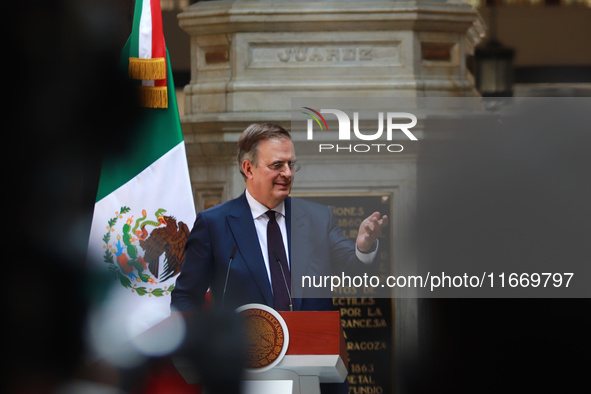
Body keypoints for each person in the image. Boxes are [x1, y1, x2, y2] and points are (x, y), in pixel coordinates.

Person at [171, 122, 388, 313]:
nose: (288, 173)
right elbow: (186, 297)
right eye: (277, 165)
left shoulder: (319, 218)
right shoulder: (214, 224)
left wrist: (364, 247)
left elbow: (355, 271)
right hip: (242, 355)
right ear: (248, 168)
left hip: (313, 350)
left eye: (291, 164)